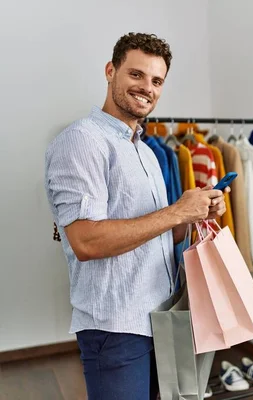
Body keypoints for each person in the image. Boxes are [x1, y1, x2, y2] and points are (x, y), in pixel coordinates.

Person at [44, 32, 229, 399]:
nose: (147, 88)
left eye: (157, 81)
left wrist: (191, 217)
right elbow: (86, 241)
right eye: (136, 75)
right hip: (116, 327)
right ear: (111, 71)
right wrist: (176, 210)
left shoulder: (145, 152)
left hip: (160, 318)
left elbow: (157, 237)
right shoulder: (81, 141)